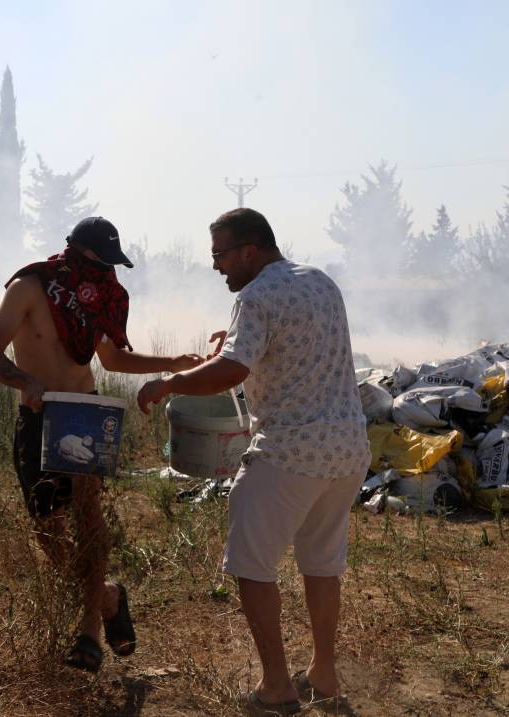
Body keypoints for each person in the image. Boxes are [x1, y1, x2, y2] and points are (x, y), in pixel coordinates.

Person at [137, 208, 370, 713]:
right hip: (347, 450)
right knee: (322, 561)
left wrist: (170, 382)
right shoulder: (321, 282)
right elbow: (294, 349)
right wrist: (233, 352)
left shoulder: (257, 293)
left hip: (289, 452)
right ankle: (324, 675)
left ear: (250, 250)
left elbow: (231, 371)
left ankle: (277, 687)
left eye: (220, 254)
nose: (217, 265)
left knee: (250, 563)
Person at [0, 216, 204, 673]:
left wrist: (174, 362)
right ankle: (107, 597)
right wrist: (25, 382)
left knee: (87, 514)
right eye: (102, 263)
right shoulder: (30, 286)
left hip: (85, 412)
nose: (108, 274)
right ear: (79, 254)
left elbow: (113, 358)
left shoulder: (101, 296)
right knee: (47, 528)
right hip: (39, 415)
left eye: (113, 266)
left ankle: (88, 632)